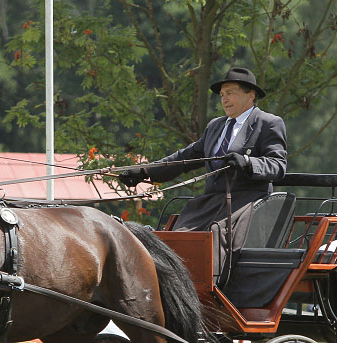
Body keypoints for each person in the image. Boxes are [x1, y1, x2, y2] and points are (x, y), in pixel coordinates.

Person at [120, 66, 287, 284]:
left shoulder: (268, 123)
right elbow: (186, 158)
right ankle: (172, 288)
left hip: (247, 202)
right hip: (211, 202)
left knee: (214, 237)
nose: (224, 99)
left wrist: (247, 162)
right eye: (222, 95)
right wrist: (145, 171)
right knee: (179, 235)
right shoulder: (215, 126)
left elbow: (278, 165)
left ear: (251, 94)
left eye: (231, 93)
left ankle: (210, 291)